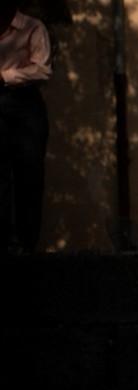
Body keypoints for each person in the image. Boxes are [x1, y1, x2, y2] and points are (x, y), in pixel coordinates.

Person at [0, 1, 51, 254]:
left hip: (24, 105)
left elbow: (42, 69)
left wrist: (4, 76)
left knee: (29, 175)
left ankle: (27, 243)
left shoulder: (33, 27)